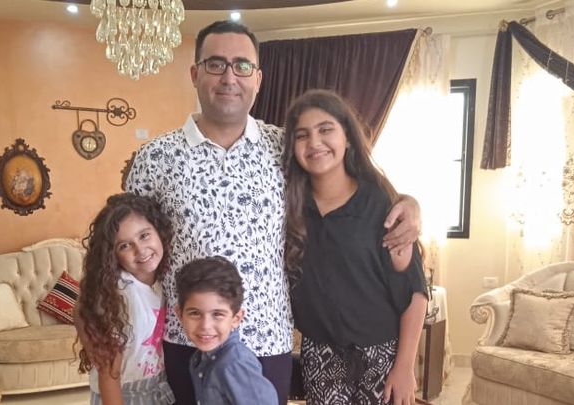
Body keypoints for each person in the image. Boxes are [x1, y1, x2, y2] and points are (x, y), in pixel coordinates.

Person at [125, 20, 422, 405]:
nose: (229, 76)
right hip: (188, 338)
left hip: (267, 340)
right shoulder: (155, 158)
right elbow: (126, 244)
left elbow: (344, 188)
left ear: (258, 78)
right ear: (195, 74)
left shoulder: (286, 149)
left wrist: (408, 203)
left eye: (242, 65)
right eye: (216, 64)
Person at [283, 89, 429, 405]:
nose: (314, 142)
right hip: (320, 354)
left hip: (382, 354)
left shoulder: (381, 205)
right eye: (302, 135)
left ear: (347, 137)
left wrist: (405, 367)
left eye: (325, 130)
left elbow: (414, 291)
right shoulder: (289, 207)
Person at [75, 193, 175, 405]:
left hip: (158, 388)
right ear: (112, 255)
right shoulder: (118, 295)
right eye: (125, 246)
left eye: (144, 235)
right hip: (123, 395)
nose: (140, 249)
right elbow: (108, 375)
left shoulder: (162, 281)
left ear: (158, 231)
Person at [175, 256, 278, 405]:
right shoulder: (200, 358)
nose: (205, 326)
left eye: (217, 314)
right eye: (195, 313)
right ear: (180, 315)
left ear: (236, 318)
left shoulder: (235, 364)